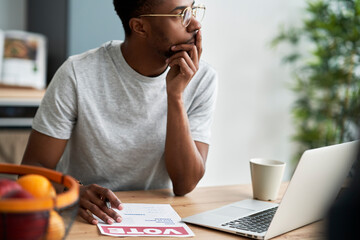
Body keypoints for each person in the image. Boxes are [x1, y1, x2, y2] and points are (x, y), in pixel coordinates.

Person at [21, 0, 218, 226]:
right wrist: (73, 191)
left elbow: (185, 185)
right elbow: (31, 171)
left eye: (193, 9)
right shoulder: (77, 73)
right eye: (180, 14)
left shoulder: (202, 78)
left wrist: (176, 97)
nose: (195, 24)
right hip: (87, 219)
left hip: (159, 220)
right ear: (140, 27)